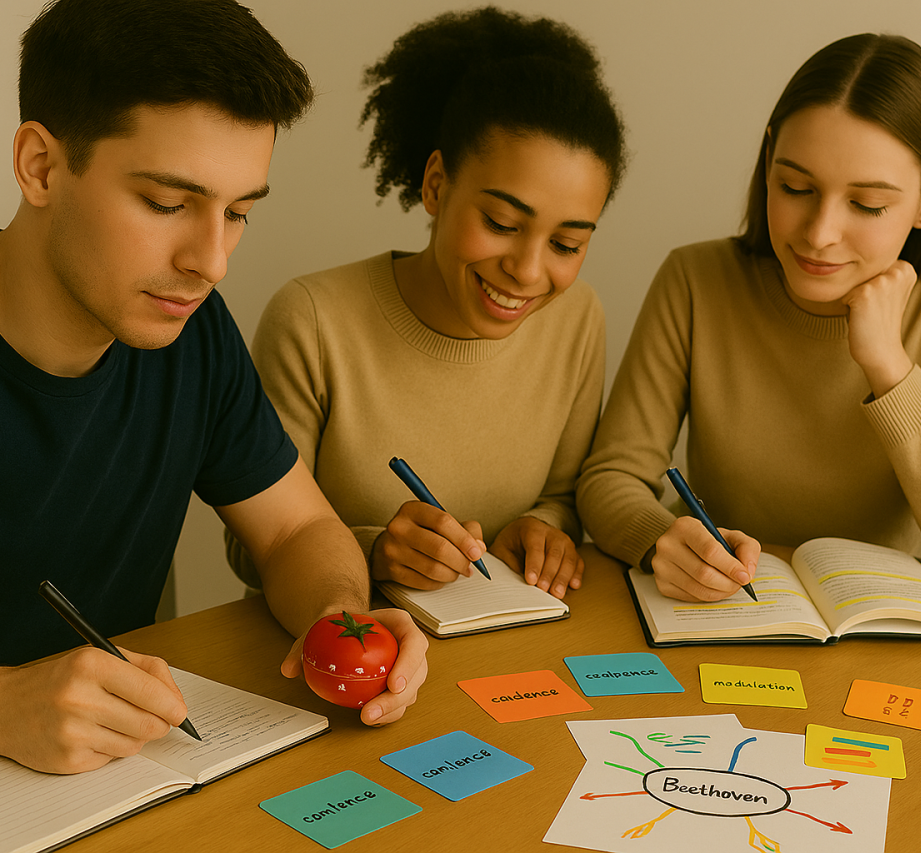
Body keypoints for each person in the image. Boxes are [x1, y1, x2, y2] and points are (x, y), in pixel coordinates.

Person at [0, 0, 427, 775]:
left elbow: (292, 532)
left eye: (238, 212)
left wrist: (338, 617)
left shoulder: (191, 329)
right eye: (168, 204)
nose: (210, 261)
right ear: (41, 166)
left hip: (112, 785)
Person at [577, 33, 921, 602]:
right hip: (726, 612)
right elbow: (610, 476)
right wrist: (660, 538)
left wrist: (888, 366)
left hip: (891, 630)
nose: (818, 235)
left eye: (867, 204)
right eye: (795, 186)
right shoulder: (697, 279)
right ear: (769, 160)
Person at [225, 7, 626, 599]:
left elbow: (562, 497)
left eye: (567, 243)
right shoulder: (313, 320)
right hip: (346, 649)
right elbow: (250, 545)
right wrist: (372, 551)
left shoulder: (576, 317)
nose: (528, 271)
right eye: (501, 222)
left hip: (509, 650)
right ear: (436, 185)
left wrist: (542, 529)